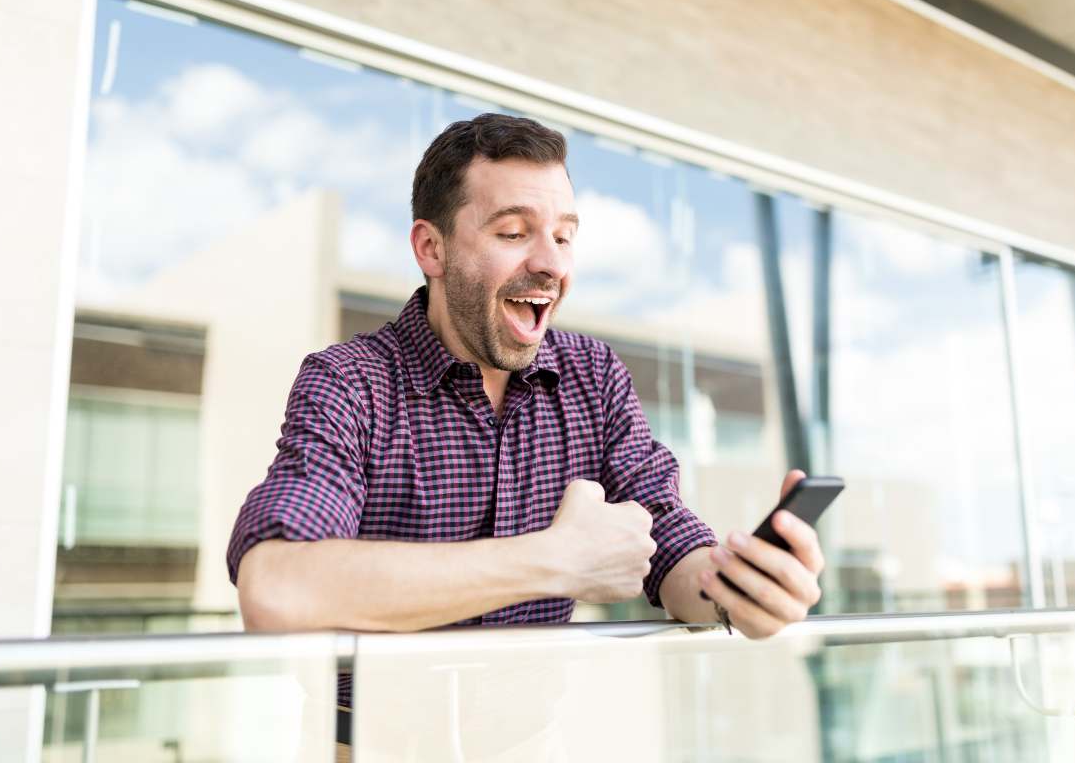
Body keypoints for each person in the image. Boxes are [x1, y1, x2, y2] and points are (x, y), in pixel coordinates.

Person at [225, 113, 825, 754]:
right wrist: (554, 561)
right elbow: (280, 590)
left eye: (564, 237)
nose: (548, 263)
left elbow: (671, 547)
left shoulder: (592, 376)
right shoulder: (350, 382)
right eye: (513, 232)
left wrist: (742, 590)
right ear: (432, 249)